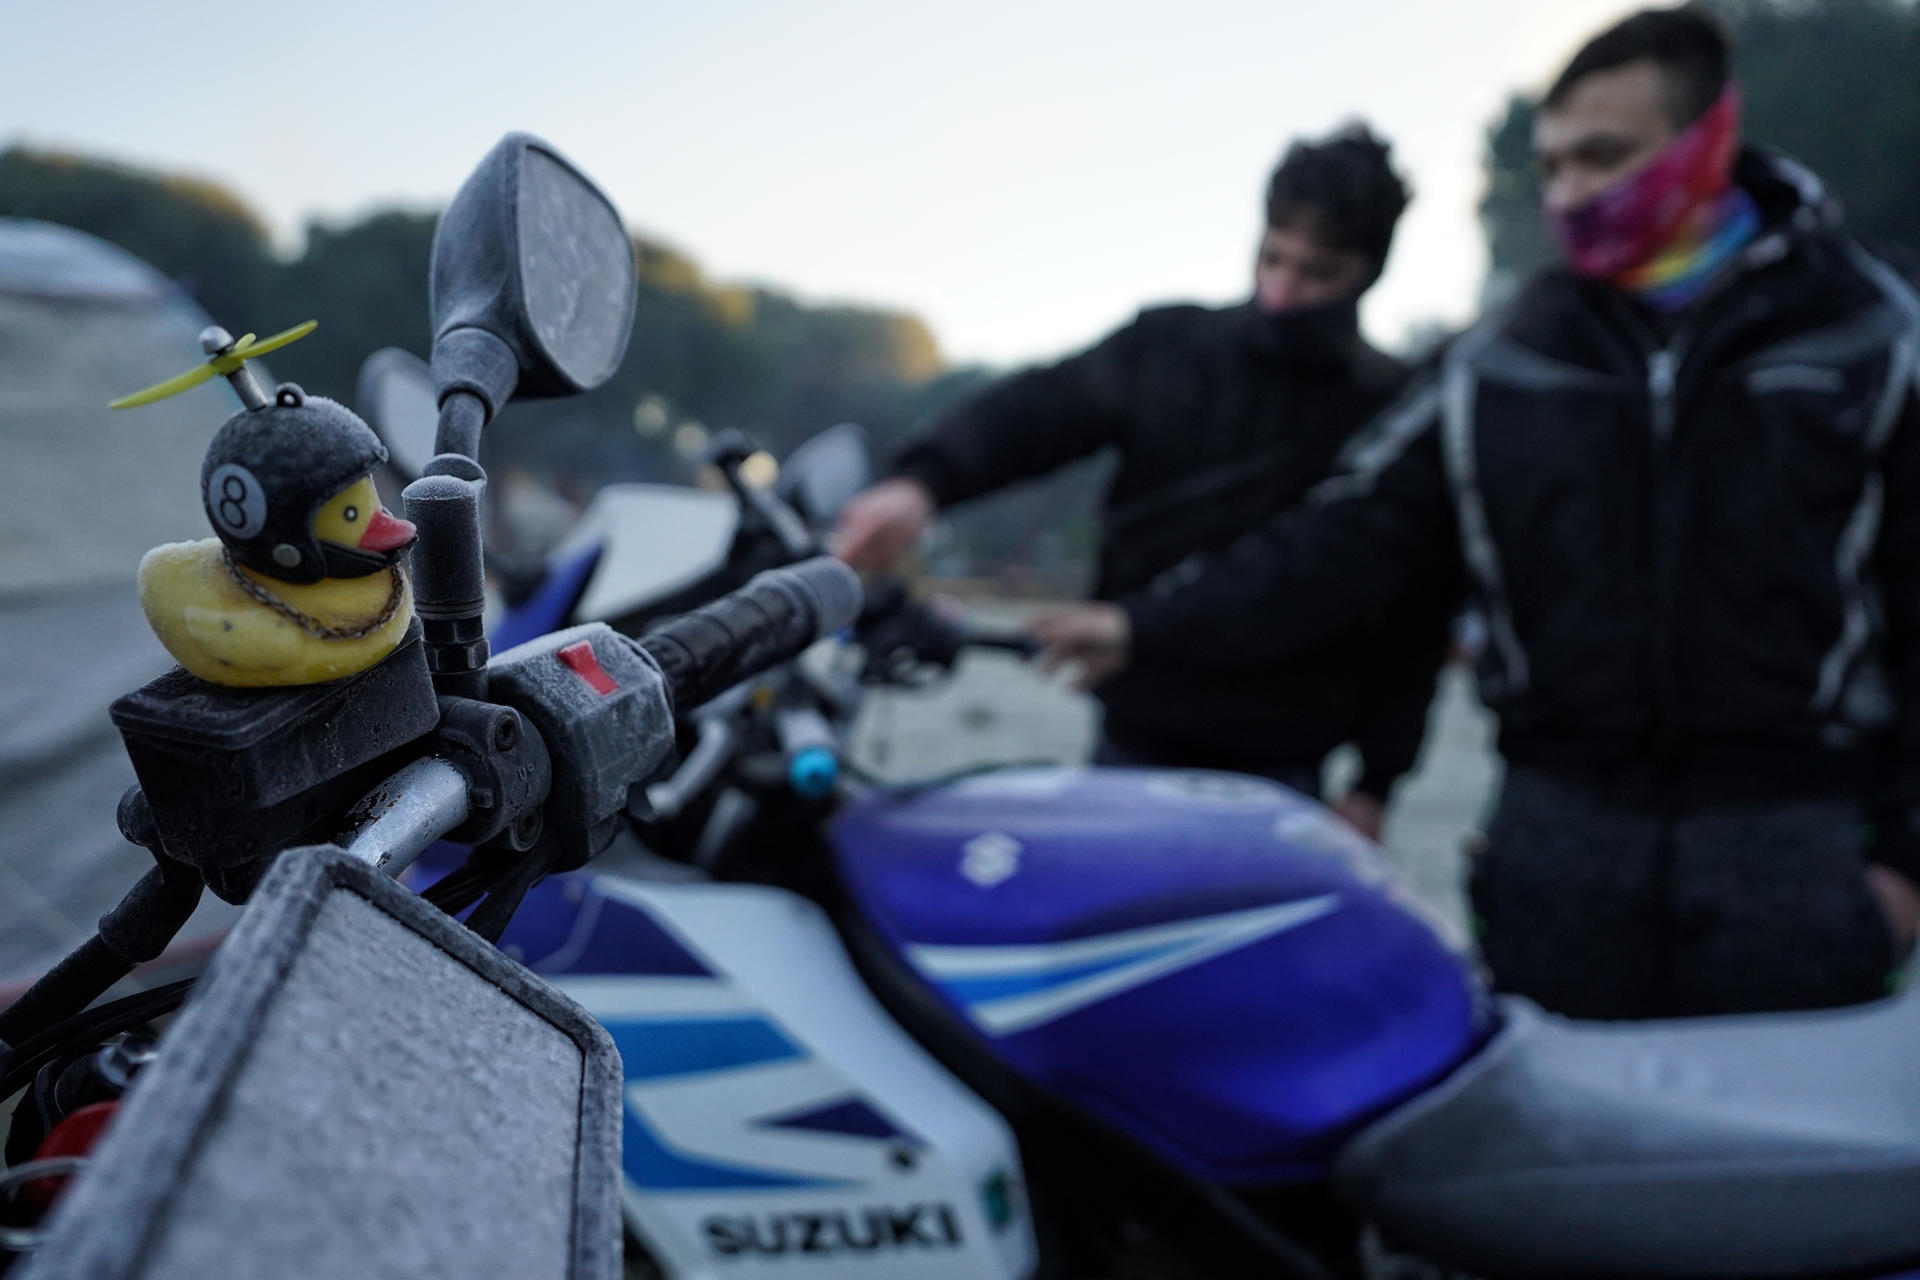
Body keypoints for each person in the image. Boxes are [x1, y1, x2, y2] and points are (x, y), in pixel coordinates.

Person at [1031, 5, 1920, 1020]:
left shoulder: (1873, 334)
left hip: (1793, 846)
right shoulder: (1503, 358)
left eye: (1604, 156)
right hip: (1557, 847)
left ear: (1709, 140)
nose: (1570, 192)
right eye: (1550, 167)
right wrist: (1145, 625)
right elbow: (1345, 541)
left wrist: (1904, 869)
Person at [836, 126, 1448, 837]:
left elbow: (1411, 615)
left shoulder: (1390, 414)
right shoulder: (1171, 346)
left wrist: (1377, 782)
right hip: (1132, 738)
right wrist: (923, 482)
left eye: (1317, 273)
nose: (1281, 292)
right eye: (1271, 258)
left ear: (1368, 272)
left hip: (1282, 769)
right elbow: (1043, 407)